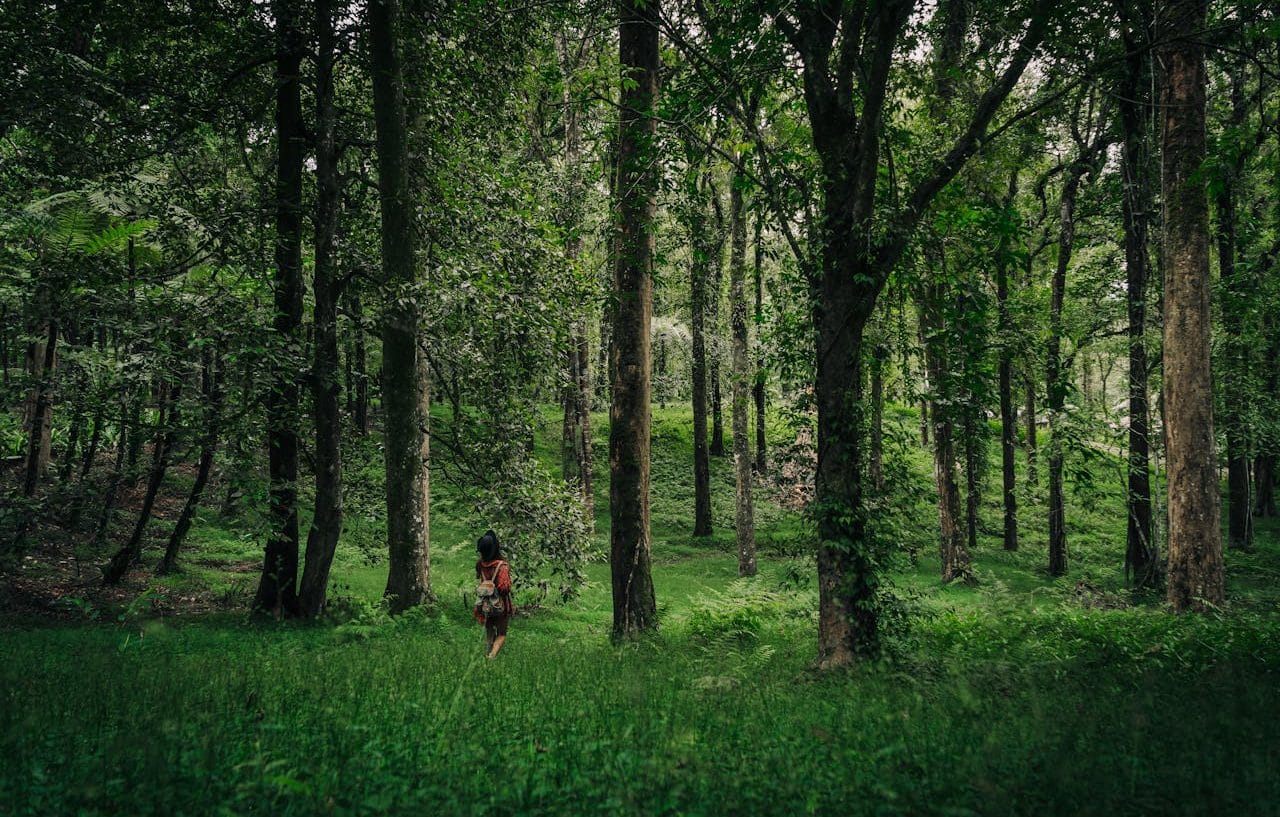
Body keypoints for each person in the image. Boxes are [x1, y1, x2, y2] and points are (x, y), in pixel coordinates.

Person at [474, 529, 513, 658]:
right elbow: (504, 588)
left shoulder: (480, 564)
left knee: (489, 631)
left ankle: (487, 653)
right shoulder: (502, 566)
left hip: (485, 603)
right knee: (502, 633)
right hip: (500, 605)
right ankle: (492, 656)